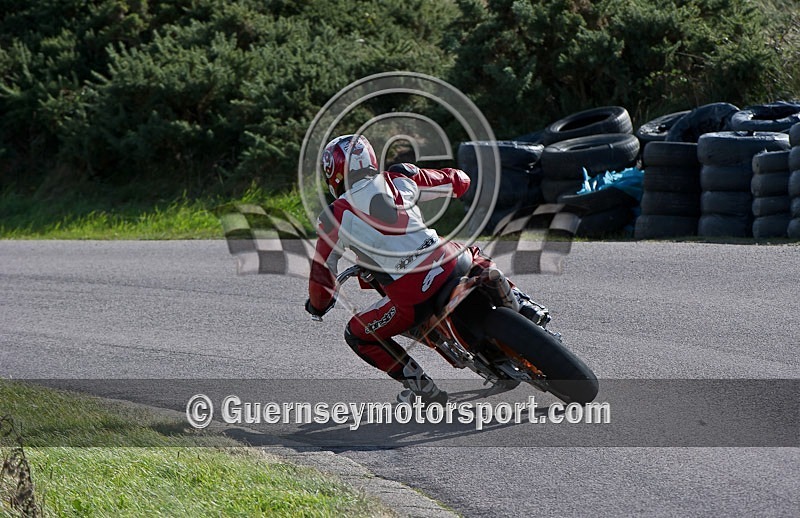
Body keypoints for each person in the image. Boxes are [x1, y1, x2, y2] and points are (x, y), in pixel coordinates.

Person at [304, 134, 549, 404]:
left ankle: (424, 391)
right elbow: (459, 181)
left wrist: (318, 306)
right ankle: (523, 305)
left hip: (413, 297)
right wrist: (445, 185)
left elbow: (321, 274)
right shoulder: (399, 178)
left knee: (357, 334)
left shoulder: (334, 216)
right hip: (451, 261)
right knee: (474, 255)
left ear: (333, 172)